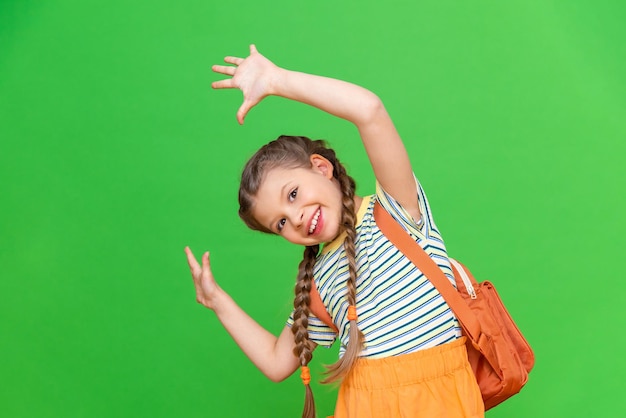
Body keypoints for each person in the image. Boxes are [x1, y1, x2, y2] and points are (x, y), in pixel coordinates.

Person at [185, 45, 484, 418]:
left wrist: (278, 81)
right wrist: (218, 302)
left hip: (443, 400)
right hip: (365, 404)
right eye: (279, 223)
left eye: (293, 194)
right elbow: (278, 363)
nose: (294, 218)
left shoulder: (394, 208)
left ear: (321, 167)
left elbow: (369, 111)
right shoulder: (318, 282)